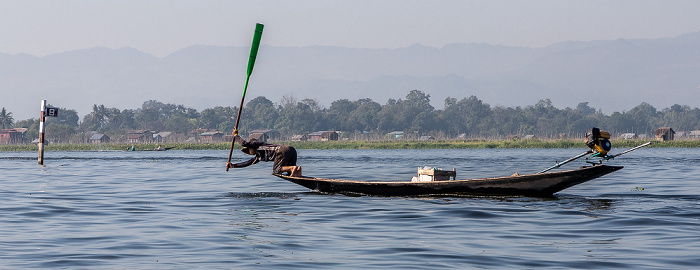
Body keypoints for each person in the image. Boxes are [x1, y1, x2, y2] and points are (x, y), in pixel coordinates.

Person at [226, 129, 302, 177]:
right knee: (289, 173)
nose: (250, 153)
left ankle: (293, 168)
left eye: (249, 151)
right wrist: (233, 166)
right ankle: (298, 170)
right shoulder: (258, 157)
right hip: (291, 150)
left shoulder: (257, 144)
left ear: (251, 147)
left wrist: (236, 135)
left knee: (276, 170)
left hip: (282, 150)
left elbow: (243, 143)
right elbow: (247, 163)